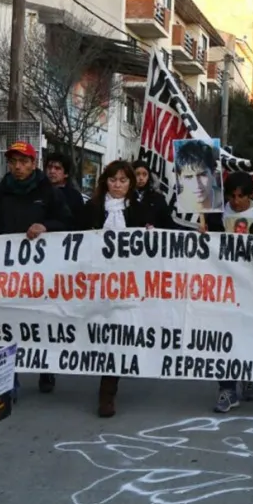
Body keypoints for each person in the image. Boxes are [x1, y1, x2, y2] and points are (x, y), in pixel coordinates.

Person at [0, 141, 72, 396]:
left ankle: (45, 368)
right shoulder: (2, 190)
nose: (18, 167)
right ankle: (9, 376)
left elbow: (67, 222)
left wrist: (45, 226)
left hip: (41, 271)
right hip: (7, 269)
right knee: (8, 322)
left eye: (24, 161)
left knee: (39, 320)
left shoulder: (48, 191)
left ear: (33, 163)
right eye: (14, 162)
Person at [201, 171, 253, 412]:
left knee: (248, 333)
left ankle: (247, 375)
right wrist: (203, 235)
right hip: (222, 287)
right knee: (224, 337)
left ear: (251, 195)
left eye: (240, 196)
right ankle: (226, 390)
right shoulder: (214, 214)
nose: (235, 201)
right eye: (232, 196)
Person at [88, 160, 154, 418]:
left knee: (115, 335)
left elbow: (162, 234)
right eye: (113, 180)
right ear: (105, 181)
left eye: (123, 180)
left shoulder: (139, 209)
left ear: (130, 183)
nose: (117, 185)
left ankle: (107, 394)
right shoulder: (91, 208)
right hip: (94, 281)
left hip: (127, 284)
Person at [174, 140, 222, 213]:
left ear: (213, 173)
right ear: (179, 178)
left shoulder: (225, 202)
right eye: (188, 177)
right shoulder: (174, 207)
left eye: (202, 175)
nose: (197, 184)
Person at [45, 152, 89, 231]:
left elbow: (79, 225)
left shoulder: (75, 197)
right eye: (49, 167)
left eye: (57, 168)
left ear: (66, 174)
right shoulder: (38, 192)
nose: (52, 171)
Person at [133, 159, 173, 229]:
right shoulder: (124, 197)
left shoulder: (158, 198)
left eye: (144, 174)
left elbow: (169, 224)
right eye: (137, 174)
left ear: (149, 176)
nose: (141, 178)